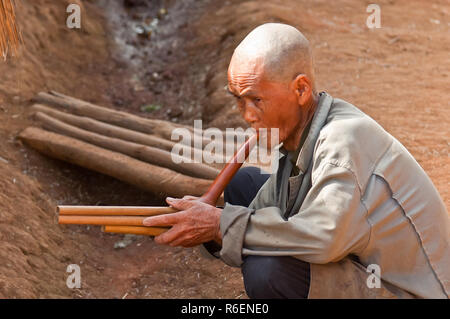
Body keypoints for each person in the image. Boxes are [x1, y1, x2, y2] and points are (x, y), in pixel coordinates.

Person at [143, 23, 449, 298]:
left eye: (257, 100)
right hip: (358, 252)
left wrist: (220, 224)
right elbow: (263, 212)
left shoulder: (343, 142)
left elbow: (324, 237)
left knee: (268, 273)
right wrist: (211, 227)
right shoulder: (301, 133)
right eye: (238, 100)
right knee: (244, 184)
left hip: (401, 290)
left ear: (300, 89)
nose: (247, 116)